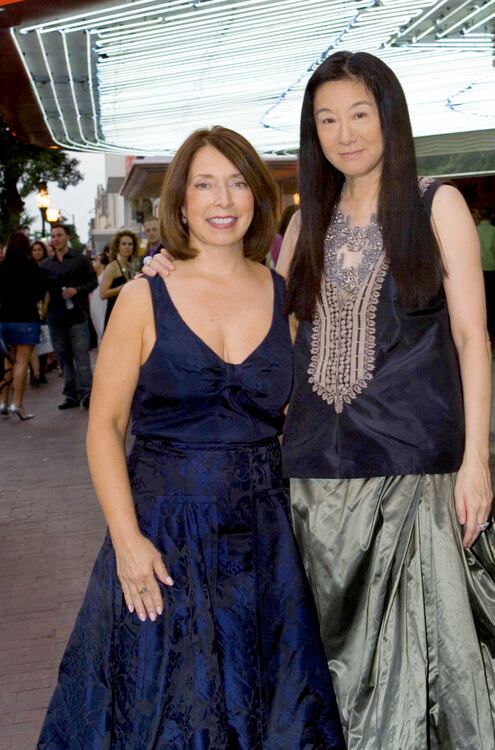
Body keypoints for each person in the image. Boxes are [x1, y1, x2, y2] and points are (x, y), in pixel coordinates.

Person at [146, 51, 495, 750]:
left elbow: (471, 338)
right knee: (334, 676)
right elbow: (263, 323)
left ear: (390, 117)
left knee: (449, 684)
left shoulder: (440, 205)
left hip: (420, 483)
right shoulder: (306, 219)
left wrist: (476, 464)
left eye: (360, 114)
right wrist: (177, 272)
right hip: (318, 488)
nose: (345, 134)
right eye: (327, 120)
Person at [37, 126, 345, 750]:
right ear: (180, 203)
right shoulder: (146, 298)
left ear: (257, 197)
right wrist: (127, 544)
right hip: (163, 539)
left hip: (263, 542)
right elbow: (104, 428)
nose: (222, 199)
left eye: (236, 183)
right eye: (204, 184)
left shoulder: (282, 294)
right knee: (165, 715)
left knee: (274, 713)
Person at [40, 224, 98, 410]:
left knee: (81, 357)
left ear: (67, 237)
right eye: (53, 236)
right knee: (64, 359)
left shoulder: (80, 260)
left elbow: (93, 282)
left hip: (78, 316)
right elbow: (42, 290)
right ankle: (70, 394)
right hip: (56, 318)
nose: (55, 238)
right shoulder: (46, 265)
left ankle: (87, 393)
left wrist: (77, 290)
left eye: (59, 235)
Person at [0, 232, 44, 420]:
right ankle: (17, 404)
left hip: (5, 318)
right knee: (22, 362)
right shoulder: (31, 266)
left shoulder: (2, 266)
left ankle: (3, 401)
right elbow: (40, 292)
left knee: (7, 361)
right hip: (26, 317)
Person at [100, 230, 138, 327]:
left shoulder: (131, 266)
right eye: (123, 244)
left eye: (130, 244)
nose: (127, 247)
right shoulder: (112, 267)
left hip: (128, 313)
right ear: (118, 246)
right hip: (115, 313)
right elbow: (103, 294)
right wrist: (125, 286)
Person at [477, 206, 495, 343]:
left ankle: (485, 332)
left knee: (483, 303)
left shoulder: (475, 229)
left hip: (478, 271)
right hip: (493, 270)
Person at [28, 240, 52, 386]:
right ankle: (34, 372)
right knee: (32, 343)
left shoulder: (46, 268)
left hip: (44, 305)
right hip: (30, 308)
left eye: (39, 250)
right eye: (34, 250)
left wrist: (44, 308)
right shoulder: (28, 268)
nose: (37, 252)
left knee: (44, 340)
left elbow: (48, 290)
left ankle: (41, 371)